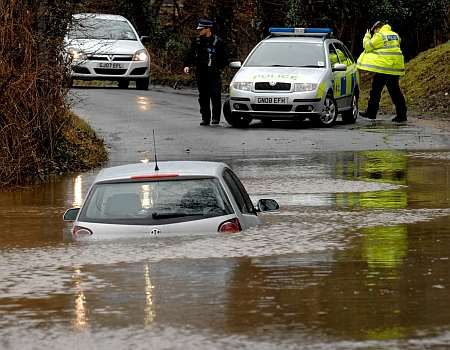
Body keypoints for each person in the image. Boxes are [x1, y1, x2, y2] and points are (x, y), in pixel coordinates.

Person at [357, 21, 407, 122]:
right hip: (395, 67)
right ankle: (402, 115)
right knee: (395, 91)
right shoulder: (395, 35)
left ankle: (371, 113)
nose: (374, 33)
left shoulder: (379, 35)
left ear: (377, 28)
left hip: (384, 67)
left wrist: (367, 36)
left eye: (374, 31)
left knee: (376, 90)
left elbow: (367, 46)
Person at [183, 19, 228, 126]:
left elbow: (224, 58)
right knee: (203, 96)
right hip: (201, 72)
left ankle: (215, 118)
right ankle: (205, 118)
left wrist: (218, 67)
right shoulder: (197, 41)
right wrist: (187, 65)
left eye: (201, 29)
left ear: (208, 29)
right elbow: (190, 54)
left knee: (215, 96)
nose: (199, 31)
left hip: (214, 73)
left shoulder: (218, 42)